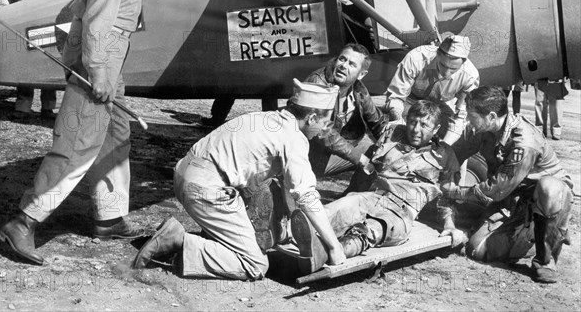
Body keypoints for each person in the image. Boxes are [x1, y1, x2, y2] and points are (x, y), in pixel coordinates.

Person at [0, 0, 193, 266]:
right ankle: (23, 222)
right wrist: (97, 69)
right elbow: (98, 18)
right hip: (99, 55)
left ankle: (109, 217)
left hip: (109, 55)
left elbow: (76, 11)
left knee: (116, 135)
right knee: (78, 143)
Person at [132, 79, 347, 279]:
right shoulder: (294, 138)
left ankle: (209, 239)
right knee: (255, 264)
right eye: (324, 124)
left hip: (184, 174)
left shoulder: (265, 118)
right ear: (311, 118)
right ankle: (179, 243)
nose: (322, 131)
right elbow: (306, 195)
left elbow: (287, 186)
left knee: (250, 196)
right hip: (205, 189)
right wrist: (334, 246)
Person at [290, 100, 465, 273]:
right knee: (340, 207)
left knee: (371, 230)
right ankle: (294, 232)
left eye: (424, 125)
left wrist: (449, 225)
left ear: (436, 128)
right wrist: (350, 192)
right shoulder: (392, 134)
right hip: (372, 196)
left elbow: (447, 196)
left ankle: (328, 253)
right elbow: (368, 165)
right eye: (412, 122)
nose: (415, 129)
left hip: (402, 210)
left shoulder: (445, 155)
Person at [442, 86, 573, 283]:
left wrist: (456, 192)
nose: (468, 121)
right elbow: (456, 153)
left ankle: (546, 253)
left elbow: (497, 188)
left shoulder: (524, 143)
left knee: (550, 189)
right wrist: (437, 165)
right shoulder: (483, 127)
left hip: (541, 197)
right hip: (512, 200)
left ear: (491, 116)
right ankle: (533, 233)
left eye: (472, 116)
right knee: (477, 250)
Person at [0, 0, 64, 119]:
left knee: (49, 64)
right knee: (25, 66)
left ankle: (48, 107)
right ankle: (23, 106)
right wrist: (4, 4)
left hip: (48, 26)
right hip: (24, 28)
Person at [304, 43, 386, 178]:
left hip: (327, 156)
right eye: (342, 59)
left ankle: (351, 194)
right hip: (306, 159)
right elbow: (321, 131)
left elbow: (378, 123)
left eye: (352, 64)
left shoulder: (358, 89)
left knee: (377, 152)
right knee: (365, 157)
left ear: (361, 74)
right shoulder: (318, 84)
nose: (343, 66)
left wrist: (395, 144)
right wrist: (359, 158)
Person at [385, 34, 479, 145]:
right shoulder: (416, 58)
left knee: (461, 140)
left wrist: (445, 145)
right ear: (437, 54)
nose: (446, 73)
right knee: (396, 133)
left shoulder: (470, 76)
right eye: (443, 65)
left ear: (463, 63)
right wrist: (399, 121)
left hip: (440, 107)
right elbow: (396, 96)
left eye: (453, 69)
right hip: (409, 100)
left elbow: (460, 116)